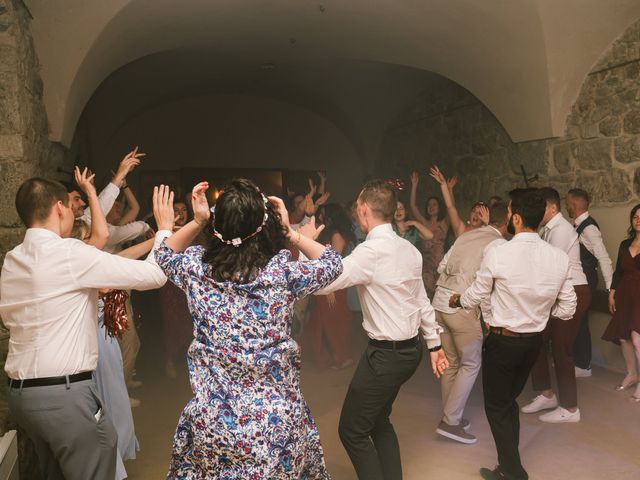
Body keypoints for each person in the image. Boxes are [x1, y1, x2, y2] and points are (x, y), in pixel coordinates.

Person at [154, 178, 343, 478]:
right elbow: (332, 263)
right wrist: (290, 233)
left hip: (215, 425)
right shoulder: (281, 274)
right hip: (276, 426)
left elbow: (162, 254)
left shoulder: (195, 270)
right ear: (264, 224)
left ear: (218, 225)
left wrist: (197, 221)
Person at [0, 175, 174, 479]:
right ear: (60, 208)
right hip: (63, 394)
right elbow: (154, 275)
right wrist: (165, 232)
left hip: (22, 395)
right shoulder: (69, 253)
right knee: (97, 470)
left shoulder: (13, 259)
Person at [315, 179, 448, 480]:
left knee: (351, 430)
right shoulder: (408, 250)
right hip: (409, 352)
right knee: (379, 421)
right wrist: (435, 345)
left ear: (363, 209)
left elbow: (325, 284)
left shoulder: (369, 252)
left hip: (385, 357)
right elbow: (421, 301)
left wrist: (302, 241)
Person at [449, 188, 577, 480]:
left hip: (502, 342)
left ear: (516, 218)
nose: (507, 217)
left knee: (496, 406)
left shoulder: (498, 251)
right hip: (533, 343)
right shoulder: (558, 257)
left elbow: (477, 294)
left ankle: (514, 471)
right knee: (508, 403)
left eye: (508, 213)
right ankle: (507, 466)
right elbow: (567, 307)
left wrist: (458, 300)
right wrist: (539, 315)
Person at [432, 201, 508, 444]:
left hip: (438, 303)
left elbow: (441, 266)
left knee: (452, 362)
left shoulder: (465, 236)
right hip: (460, 307)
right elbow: (489, 283)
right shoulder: (499, 244)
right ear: (506, 223)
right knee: (471, 363)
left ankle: (450, 416)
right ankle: (450, 421)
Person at [521, 187, 591, 423]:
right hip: (558, 292)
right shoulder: (545, 229)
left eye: (541, 207)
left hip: (573, 291)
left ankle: (571, 409)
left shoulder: (561, 229)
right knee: (538, 342)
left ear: (551, 208)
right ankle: (546, 394)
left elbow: (552, 268)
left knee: (562, 349)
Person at [565, 188, 614, 377]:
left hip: (585, 281)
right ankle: (576, 362)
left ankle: (583, 365)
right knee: (576, 322)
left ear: (574, 205)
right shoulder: (577, 225)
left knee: (580, 322)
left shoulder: (589, 228)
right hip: (578, 280)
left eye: (568, 203)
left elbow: (604, 258)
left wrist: (611, 288)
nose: (566, 206)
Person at [302, 203, 355, 369]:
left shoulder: (337, 235)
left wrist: (329, 288)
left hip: (333, 285)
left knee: (334, 321)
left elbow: (334, 264)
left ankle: (342, 358)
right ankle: (326, 356)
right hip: (325, 283)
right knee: (321, 320)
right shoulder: (331, 233)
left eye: (323, 214)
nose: (320, 217)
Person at [602, 203, 640, 402]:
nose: (638, 220)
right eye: (635, 216)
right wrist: (611, 293)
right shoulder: (625, 244)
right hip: (625, 293)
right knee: (624, 337)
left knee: (637, 338)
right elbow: (618, 271)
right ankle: (632, 373)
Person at [159, 200, 195, 378]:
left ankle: (191, 362)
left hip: (190, 285)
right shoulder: (164, 234)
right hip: (170, 285)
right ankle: (170, 359)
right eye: (176, 211)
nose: (181, 214)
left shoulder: (195, 230)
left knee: (191, 323)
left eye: (183, 210)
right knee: (171, 322)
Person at [409, 171, 449, 298]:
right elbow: (413, 206)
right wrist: (414, 185)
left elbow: (450, 207)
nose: (431, 207)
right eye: (429, 205)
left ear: (439, 207)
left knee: (439, 295)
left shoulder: (444, 223)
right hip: (425, 265)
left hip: (439, 264)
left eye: (434, 204)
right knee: (425, 297)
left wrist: (448, 188)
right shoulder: (424, 223)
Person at [428, 166, 490, 238]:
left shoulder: (487, 233)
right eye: (474, 211)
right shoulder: (461, 228)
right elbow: (450, 207)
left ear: (486, 217)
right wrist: (443, 184)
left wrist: (487, 224)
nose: (476, 214)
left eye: (480, 213)